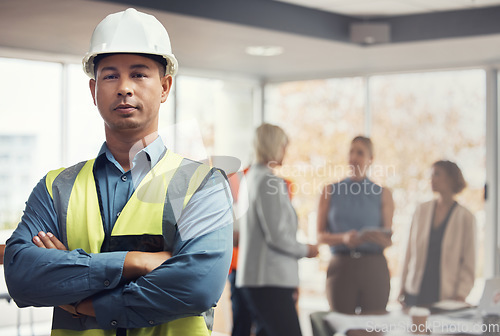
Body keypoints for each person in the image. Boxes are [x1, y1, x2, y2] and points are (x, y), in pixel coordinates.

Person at [4, 8, 233, 336]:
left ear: (165, 87)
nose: (124, 87)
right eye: (110, 76)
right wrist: (134, 263)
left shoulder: (203, 185)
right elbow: (21, 277)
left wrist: (84, 303)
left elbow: (196, 286)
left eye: (139, 74)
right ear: (93, 90)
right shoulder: (56, 187)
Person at [236, 123, 319, 336]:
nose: (285, 152)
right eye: (283, 146)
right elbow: (278, 236)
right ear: (273, 145)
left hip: (259, 280)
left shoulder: (251, 178)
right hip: (269, 281)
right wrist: (306, 250)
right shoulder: (268, 181)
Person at [317, 136, 394, 314]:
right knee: (342, 325)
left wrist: (377, 238)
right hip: (341, 268)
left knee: (373, 327)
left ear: (370, 159)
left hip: (374, 267)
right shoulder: (330, 191)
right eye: (351, 151)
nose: (354, 157)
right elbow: (320, 235)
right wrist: (343, 238)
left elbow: (388, 238)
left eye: (360, 152)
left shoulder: (383, 193)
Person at [399, 160, 476, 307]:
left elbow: (469, 262)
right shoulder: (421, 211)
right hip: (415, 291)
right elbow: (408, 252)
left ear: (451, 178)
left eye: (436, 174)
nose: (431, 179)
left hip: (447, 295)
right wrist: (402, 286)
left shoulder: (466, 218)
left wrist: (461, 294)